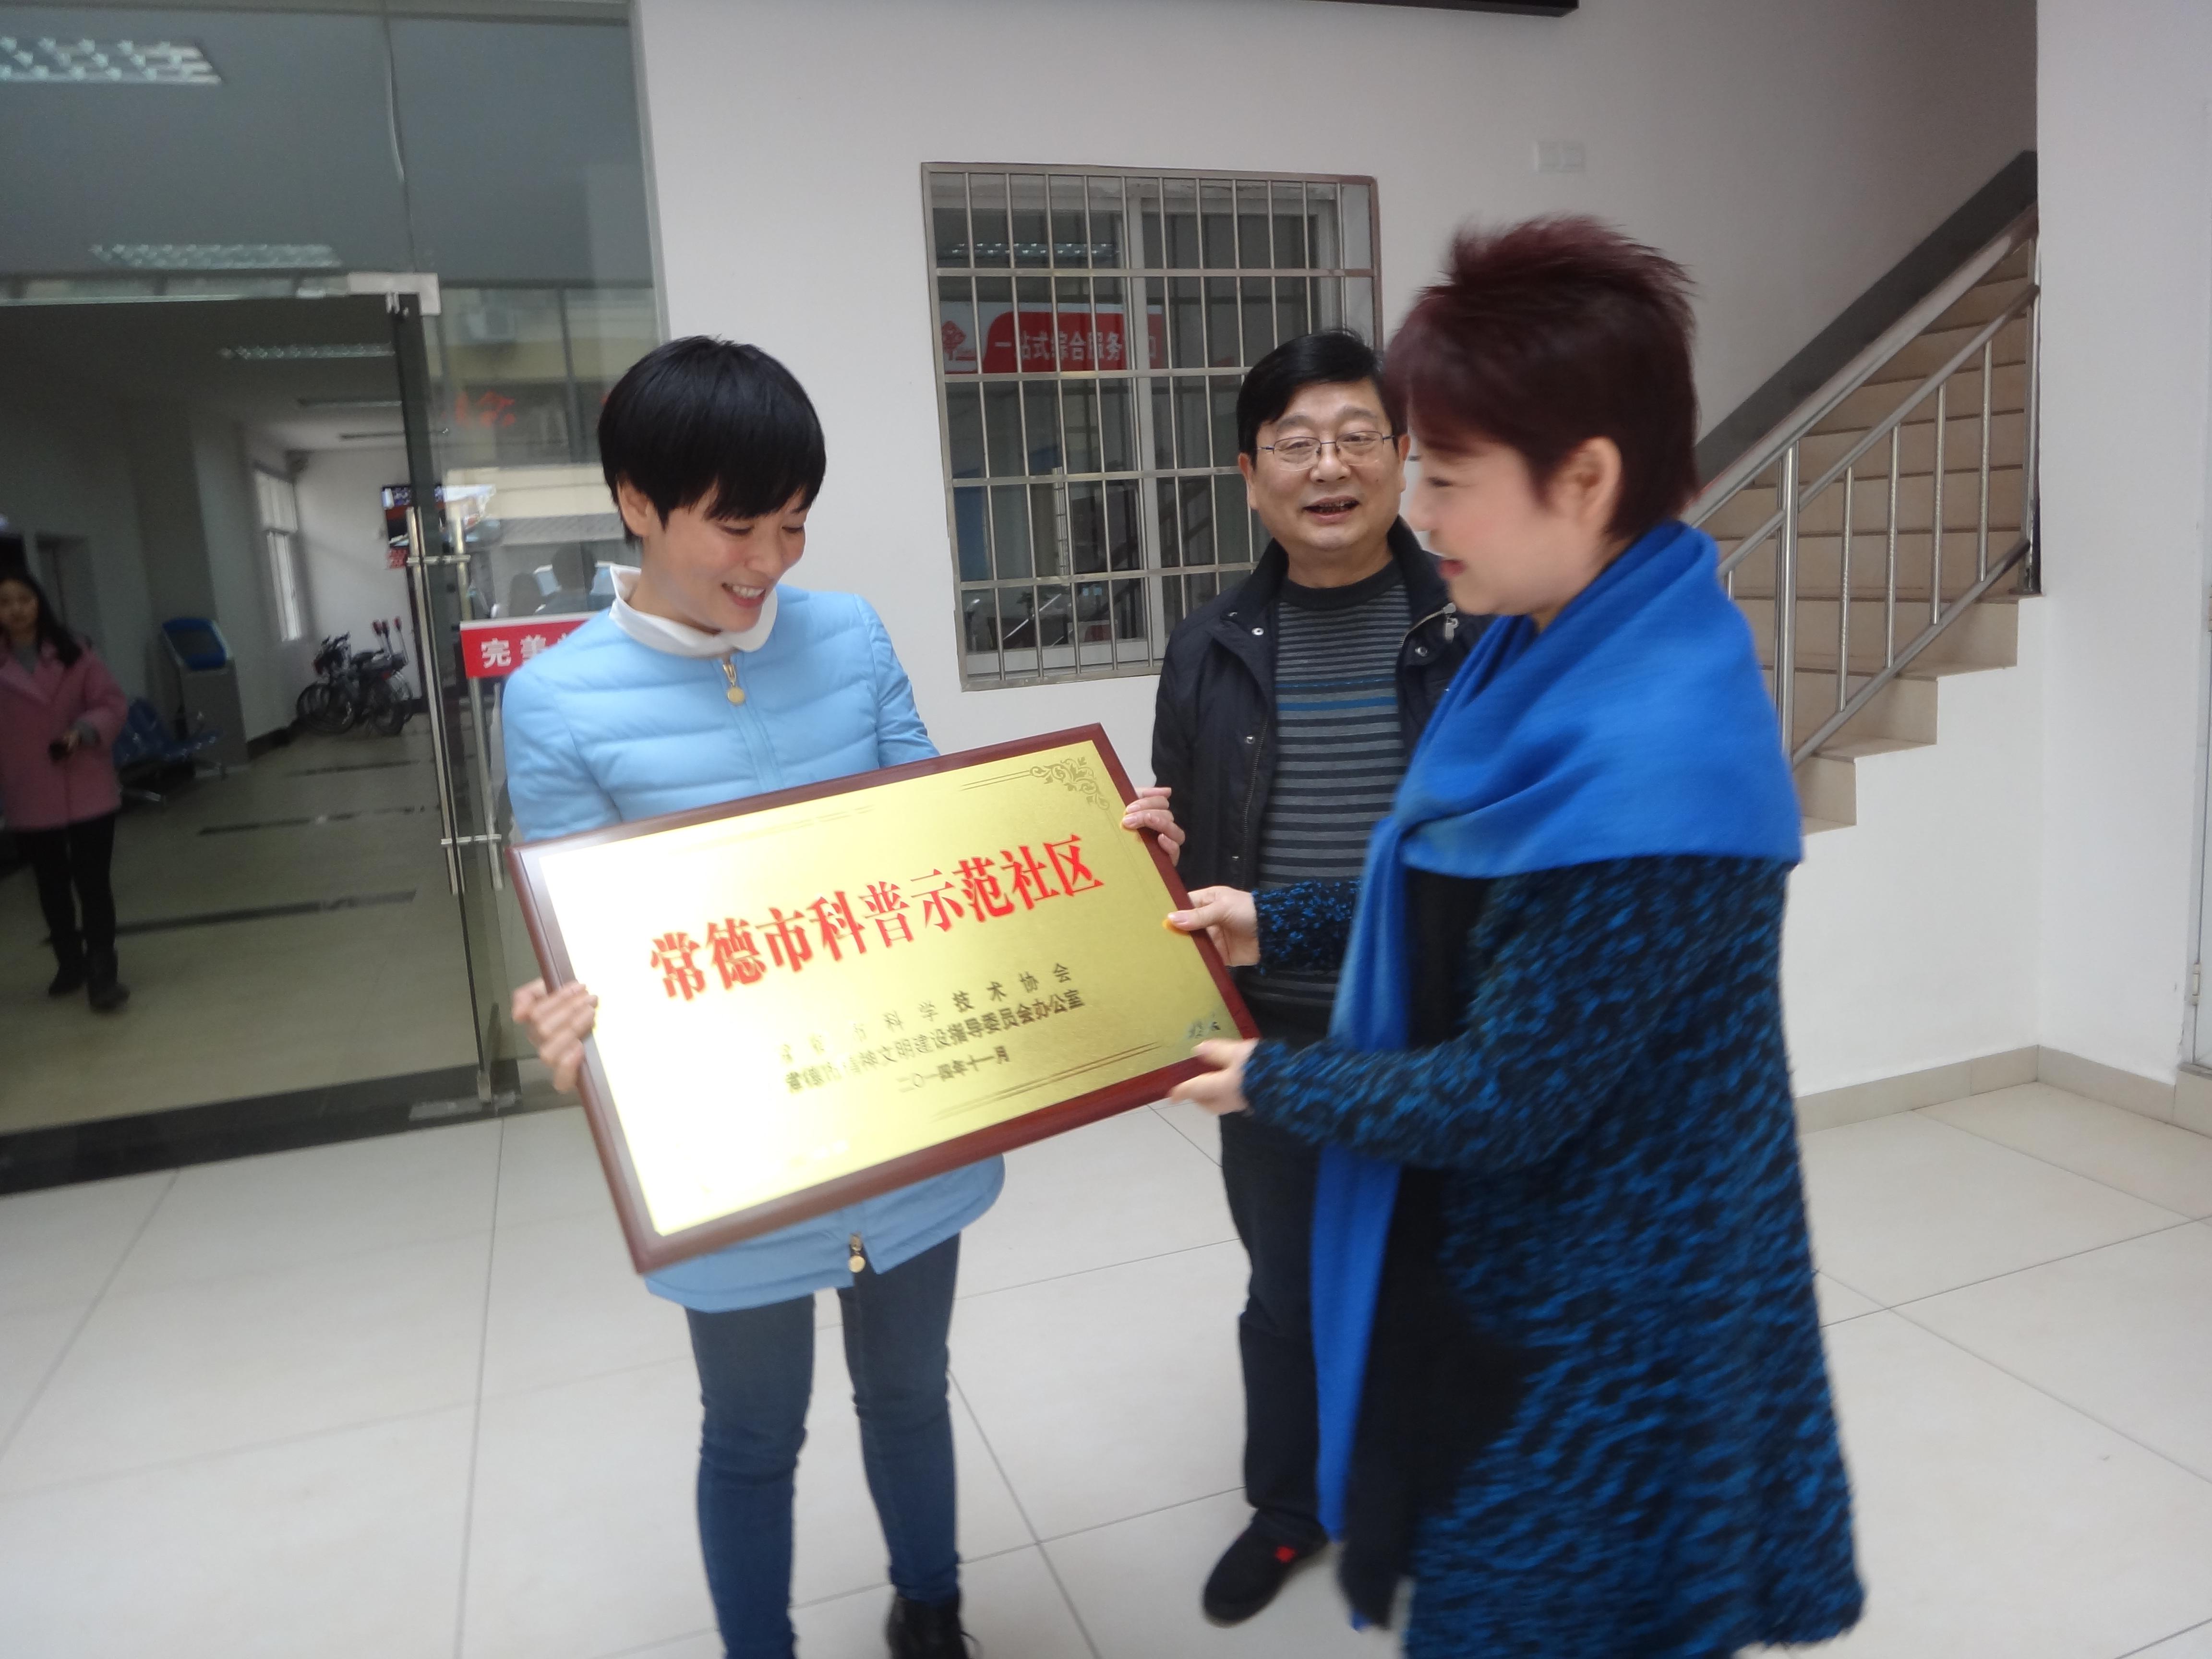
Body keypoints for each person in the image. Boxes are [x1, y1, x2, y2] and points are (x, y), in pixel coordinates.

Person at [1166, 218, 1863, 1657]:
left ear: (1585, 477)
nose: (1413, 506)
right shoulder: (1538, 645)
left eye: (1444, 472)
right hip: (1507, 1274)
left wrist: (1273, 1077)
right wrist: (1271, 916)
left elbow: (1507, 1093)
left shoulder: (1656, 756)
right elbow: (1462, 892)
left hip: (1604, 1321)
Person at [503, 337, 1178, 1659]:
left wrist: (1099, 852)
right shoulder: (556, 700)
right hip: (736, 1148)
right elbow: (584, 939)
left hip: (908, 1096)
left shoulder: (851, 634)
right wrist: (574, 1028)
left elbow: (936, 836)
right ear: (637, 502)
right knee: (753, 1432)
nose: (767, 561)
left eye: (794, 524)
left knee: (912, 1393)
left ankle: (934, 1613)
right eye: (735, 524)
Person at [1149, 329, 1478, 1623]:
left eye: (1356, 436)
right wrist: (1152, 854)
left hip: (1439, 1030)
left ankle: (1435, 1499)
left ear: (1403, 456)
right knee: (1285, 1289)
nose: (1327, 467)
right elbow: (1183, 835)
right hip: (1276, 1037)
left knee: (1443, 1275)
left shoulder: (1476, 627)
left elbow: (1486, 862)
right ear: (1249, 473)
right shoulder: (1209, 645)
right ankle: (1293, 1507)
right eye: (1295, 442)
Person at [0, 565, 131, 1012]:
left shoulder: (76, 652)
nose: (16, 610)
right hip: (29, 788)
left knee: (92, 881)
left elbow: (111, 703)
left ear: (39, 602)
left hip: (85, 780)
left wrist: (84, 730)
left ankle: (103, 972)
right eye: (5, 603)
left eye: (24, 599)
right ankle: (69, 962)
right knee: (51, 883)